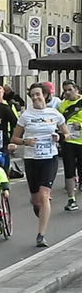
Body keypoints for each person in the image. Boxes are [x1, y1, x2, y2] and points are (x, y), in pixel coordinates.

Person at [10, 82, 71, 247]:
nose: (36, 97)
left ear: (45, 95)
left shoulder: (55, 114)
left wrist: (60, 137)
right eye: (33, 95)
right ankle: (39, 207)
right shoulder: (26, 116)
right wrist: (24, 141)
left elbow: (67, 134)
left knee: (45, 196)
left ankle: (41, 235)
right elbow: (14, 138)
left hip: (49, 159)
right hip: (31, 160)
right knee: (36, 199)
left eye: (38, 94)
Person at [58, 80, 82, 211]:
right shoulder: (62, 106)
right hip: (68, 142)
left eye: (69, 90)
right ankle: (71, 199)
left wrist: (81, 125)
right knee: (69, 171)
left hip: (81, 141)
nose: (67, 93)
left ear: (76, 89)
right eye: (65, 90)